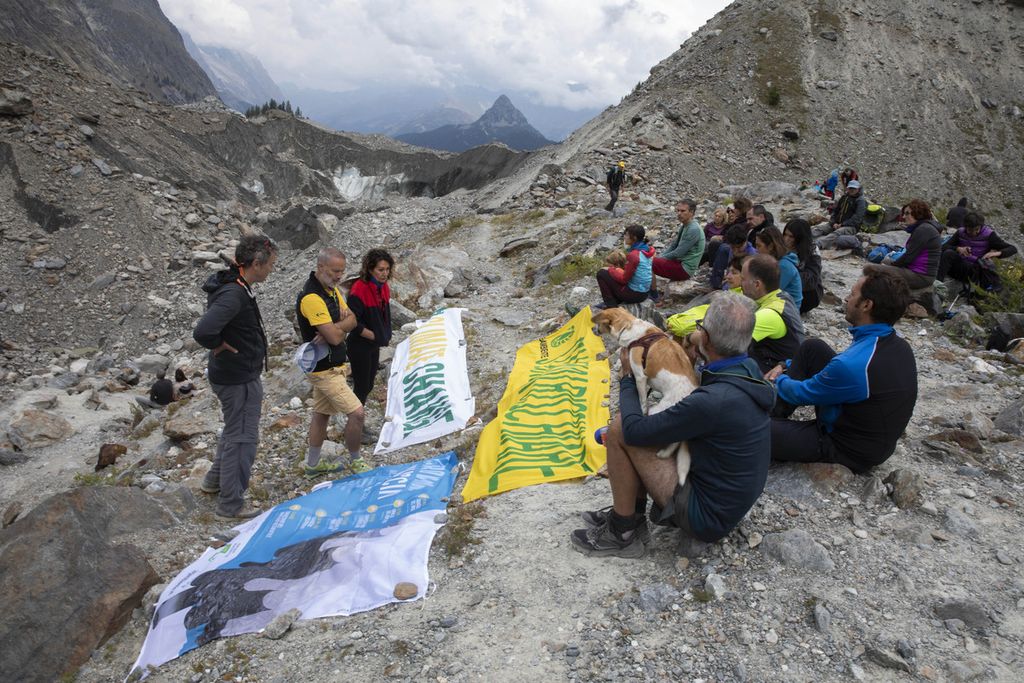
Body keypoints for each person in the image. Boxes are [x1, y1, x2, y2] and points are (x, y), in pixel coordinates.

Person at [570, 292, 775, 558]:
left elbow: (634, 431)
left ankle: (623, 533)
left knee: (622, 428)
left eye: (699, 327)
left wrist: (628, 378)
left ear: (706, 338)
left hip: (706, 515)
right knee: (647, 427)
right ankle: (630, 515)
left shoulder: (713, 401)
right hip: (727, 500)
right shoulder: (747, 371)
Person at [766, 267, 918, 473]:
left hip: (846, 448)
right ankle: (772, 414)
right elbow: (844, 377)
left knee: (749, 428)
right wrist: (788, 365)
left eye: (852, 294)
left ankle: (763, 421)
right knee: (813, 348)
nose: (846, 299)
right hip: (872, 437)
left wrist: (779, 379)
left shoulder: (854, 365)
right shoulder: (896, 344)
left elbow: (803, 393)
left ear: (866, 305)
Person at [194, 234, 278, 519]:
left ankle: (214, 481)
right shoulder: (233, 294)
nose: (272, 270)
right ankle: (231, 504)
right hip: (237, 377)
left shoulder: (236, 283)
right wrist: (218, 344)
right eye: (270, 265)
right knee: (243, 438)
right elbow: (203, 331)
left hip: (233, 372)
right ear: (256, 263)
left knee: (234, 430)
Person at [296, 247, 368, 477]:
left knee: (321, 414)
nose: (339, 276)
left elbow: (353, 320)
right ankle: (356, 461)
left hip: (333, 365)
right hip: (324, 370)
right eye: (335, 271)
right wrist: (340, 327)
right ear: (321, 267)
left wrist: (336, 327)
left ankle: (312, 465)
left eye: (341, 271)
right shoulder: (312, 298)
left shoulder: (332, 291)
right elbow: (336, 337)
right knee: (357, 413)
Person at [347, 249, 395, 444]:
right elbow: (353, 323)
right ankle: (354, 428)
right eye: (380, 270)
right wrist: (373, 335)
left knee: (368, 385)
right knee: (361, 386)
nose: (384, 273)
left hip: (373, 345)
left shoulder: (383, 287)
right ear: (370, 269)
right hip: (360, 345)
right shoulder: (359, 290)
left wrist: (383, 335)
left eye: (387, 269)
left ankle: (356, 423)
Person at [740, 254, 805, 374]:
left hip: (780, 374)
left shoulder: (768, 314)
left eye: (743, 279)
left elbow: (730, 342)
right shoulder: (781, 296)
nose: (740, 283)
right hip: (788, 363)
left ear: (757, 284)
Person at [666, 255, 747, 339]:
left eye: (734, 273)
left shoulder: (740, 304)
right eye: (728, 272)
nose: (728, 277)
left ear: (746, 277)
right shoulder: (727, 295)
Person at [938, 210, 1018, 292]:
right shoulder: (960, 232)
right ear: (965, 227)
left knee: (951, 255)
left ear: (981, 226)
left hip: (974, 271)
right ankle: (937, 284)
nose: (974, 232)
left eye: (977, 229)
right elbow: (944, 246)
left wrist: (995, 253)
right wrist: (958, 249)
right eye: (970, 230)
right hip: (959, 266)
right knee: (948, 253)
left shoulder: (989, 235)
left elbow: (1012, 249)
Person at [877, 198, 941, 290]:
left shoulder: (923, 229)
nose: (903, 217)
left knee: (870, 269)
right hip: (918, 271)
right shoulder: (924, 227)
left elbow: (908, 257)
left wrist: (891, 266)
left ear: (918, 214)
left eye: (907, 213)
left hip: (921, 276)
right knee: (885, 262)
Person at [650, 200, 704, 301]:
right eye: (678, 210)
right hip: (680, 263)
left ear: (691, 212)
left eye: (683, 211)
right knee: (651, 260)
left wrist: (658, 260)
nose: (679, 213)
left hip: (685, 269)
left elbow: (678, 253)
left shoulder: (693, 229)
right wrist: (660, 257)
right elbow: (673, 246)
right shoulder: (685, 225)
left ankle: (653, 294)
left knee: (649, 263)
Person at [595, 224, 654, 307]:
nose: (624, 237)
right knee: (615, 272)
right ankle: (616, 300)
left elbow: (624, 280)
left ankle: (611, 305)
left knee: (601, 273)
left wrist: (611, 269)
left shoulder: (634, 255)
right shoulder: (646, 250)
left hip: (634, 294)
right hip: (644, 292)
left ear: (634, 238)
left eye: (626, 235)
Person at [754, 225, 803, 311]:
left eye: (759, 246)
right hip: (775, 304)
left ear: (770, 246)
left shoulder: (784, 266)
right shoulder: (771, 262)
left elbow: (768, 293)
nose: (756, 250)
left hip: (787, 311)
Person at [783, 219, 823, 314]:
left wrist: (789, 273)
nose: (786, 239)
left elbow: (812, 278)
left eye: (791, 237)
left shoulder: (812, 251)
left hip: (807, 293)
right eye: (785, 235)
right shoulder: (781, 246)